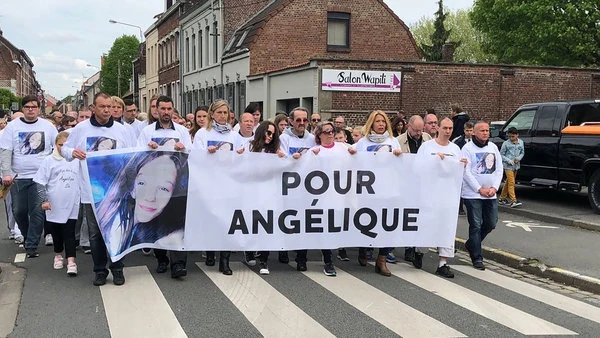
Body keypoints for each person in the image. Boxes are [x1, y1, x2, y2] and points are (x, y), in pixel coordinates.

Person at [62, 92, 132, 286]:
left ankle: (117, 268)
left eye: (109, 106)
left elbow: (133, 155)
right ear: (94, 108)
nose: (107, 110)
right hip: (91, 190)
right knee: (95, 233)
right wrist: (73, 152)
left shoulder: (122, 130)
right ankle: (100, 270)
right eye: (103, 107)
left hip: (116, 189)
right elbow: (64, 149)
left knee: (116, 230)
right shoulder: (81, 129)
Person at [137, 95, 192, 278]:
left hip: (175, 184)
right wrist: (148, 147)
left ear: (172, 109)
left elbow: (191, 154)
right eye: (163, 109)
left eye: (169, 109)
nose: (166, 112)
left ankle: (178, 264)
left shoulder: (182, 131)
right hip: (153, 182)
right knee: (159, 220)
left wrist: (183, 148)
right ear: (157, 110)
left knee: (177, 221)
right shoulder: (147, 131)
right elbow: (138, 155)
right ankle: (161, 259)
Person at [96, 152, 188, 257]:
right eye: (142, 183)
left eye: (163, 188)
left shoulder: (165, 233)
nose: (150, 197)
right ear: (133, 188)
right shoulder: (108, 219)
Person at [0, 95, 58, 258]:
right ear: (22, 109)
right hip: (18, 177)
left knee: (37, 210)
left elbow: (58, 147)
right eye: (27, 107)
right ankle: (27, 236)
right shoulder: (12, 127)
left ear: (39, 109)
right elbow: (5, 151)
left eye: (34, 107)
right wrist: (6, 173)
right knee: (19, 210)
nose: (30, 110)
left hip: (40, 177)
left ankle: (32, 244)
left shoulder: (48, 127)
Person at [415, 118, 467, 278]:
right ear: (438, 128)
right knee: (427, 225)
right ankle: (419, 251)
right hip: (429, 194)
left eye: (450, 128)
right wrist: (433, 160)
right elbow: (417, 167)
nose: (448, 131)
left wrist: (462, 165)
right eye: (445, 127)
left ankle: (443, 263)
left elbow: (460, 173)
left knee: (447, 227)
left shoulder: (455, 149)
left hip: (448, 195)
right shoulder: (427, 147)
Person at [352, 110, 402, 276]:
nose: (381, 124)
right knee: (367, 221)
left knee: (387, 224)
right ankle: (363, 247)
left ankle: (382, 259)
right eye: (377, 121)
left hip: (388, 190)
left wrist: (398, 157)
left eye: (383, 121)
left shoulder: (393, 141)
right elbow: (353, 161)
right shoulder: (363, 143)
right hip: (368, 190)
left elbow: (401, 166)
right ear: (371, 124)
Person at [192, 99, 234, 275]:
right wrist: (206, 154)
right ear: (212, 114)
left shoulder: (233, 134)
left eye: (225, 113)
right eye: (219, 113)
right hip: (209, 184)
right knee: (211, 219)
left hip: (228, 185)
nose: (223, 116)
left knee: (227, 222)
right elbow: (195, 156)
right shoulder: (203, 133)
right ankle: (210, 250)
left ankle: (225, 260)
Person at [236, 121, 284, 274]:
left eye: (273, 134)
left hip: (269, 192)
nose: (270, 137)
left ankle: (264, 260)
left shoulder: (275, 150)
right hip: (250, 191)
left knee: (266, 224)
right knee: (251, 222)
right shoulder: (248, 146)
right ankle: (249, 251)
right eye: (268, 133)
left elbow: (286, 166)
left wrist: (284, 158)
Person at [33, 132, 80, 276]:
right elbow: (40, 182)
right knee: (57, 232)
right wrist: (44, 200)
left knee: (70, 232)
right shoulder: (49, 161)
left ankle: (71, 260)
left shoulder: (77, 160)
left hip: (72, 201)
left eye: (66, 145)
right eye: (60, 145)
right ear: (55, 145)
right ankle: (58, 254)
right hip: (54, 202)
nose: (63, 148)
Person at [462, 122, 503, 271]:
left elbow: (499, 169)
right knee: (476, 225)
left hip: (490, 194)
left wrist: (494, 187)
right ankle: (477, 257)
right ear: (474, 132)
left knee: (491, 222)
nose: (485, 133)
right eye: (482, 130)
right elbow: (466, 172)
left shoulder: (493, 148)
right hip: (473, 194)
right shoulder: (467, 149)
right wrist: (479, 189)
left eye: (487, 130)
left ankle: (471, 244)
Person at [499, 127, 525, 208]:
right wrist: (509, 161)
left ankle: (502, 197)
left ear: (517, 135)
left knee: (508, 182)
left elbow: (522, 152)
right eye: (509, 136)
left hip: (516, 165)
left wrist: (519, 158)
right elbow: (501, 154)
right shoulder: (506, 143)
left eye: (513, 136)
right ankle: (513, 200)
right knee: (511, 182)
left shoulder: (521, 142)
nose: (511, 138)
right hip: (508, 166)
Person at [453, 121, 474, 215]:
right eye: (467, 130)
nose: (469, 132)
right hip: (462, 168)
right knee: (461, 188)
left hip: (472, 168)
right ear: (464, 130)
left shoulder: (476, 141)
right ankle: (460, 207)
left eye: (471, 130)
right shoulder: (458, 141)